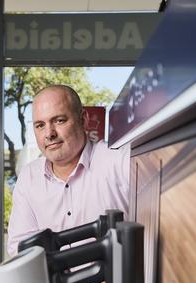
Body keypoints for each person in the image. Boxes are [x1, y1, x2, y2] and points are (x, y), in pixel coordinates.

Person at [7, 84, 130, 257]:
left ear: (83, 119)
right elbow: (20, 246)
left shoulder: (120, 161)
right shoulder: (29, 177)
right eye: (40, 125)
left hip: (116, 282)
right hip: (54, 282)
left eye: (59, 120)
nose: (49, 133)